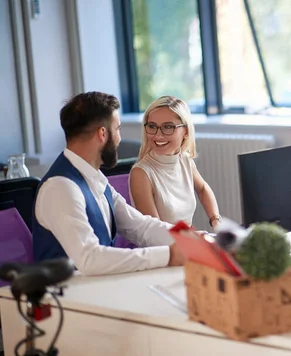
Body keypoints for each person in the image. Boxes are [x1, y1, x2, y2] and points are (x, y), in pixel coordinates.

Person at [33, 92, 185, 276]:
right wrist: (168, 256)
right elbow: (90, 259)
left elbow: (140, 226)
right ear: (103, 134)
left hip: (99, 291)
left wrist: (195, 241)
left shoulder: (94, 178)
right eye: (118, 129)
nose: (119, 139)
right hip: (68, 299)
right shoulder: (60, 187)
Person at [129, 95, 221, 229]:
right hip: (163, 247)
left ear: (186, 131)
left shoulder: (185, 160)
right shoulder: (141, 173)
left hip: (186, 241)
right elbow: (156, 233)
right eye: (152, 126)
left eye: (168, 127)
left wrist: (216, 221)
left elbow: (202, 189)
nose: (158, 135)